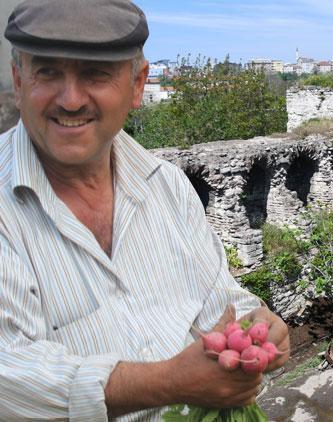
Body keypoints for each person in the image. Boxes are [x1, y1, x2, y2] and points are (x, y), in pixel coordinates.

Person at [0, 0, 289, 420]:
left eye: (95, 73)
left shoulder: (167, 186)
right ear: (19, 80)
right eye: (47, 71)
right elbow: (9, 373)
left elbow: (217, 301)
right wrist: (166, 381)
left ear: (137, 85)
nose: (71, 99)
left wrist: (253, 325)